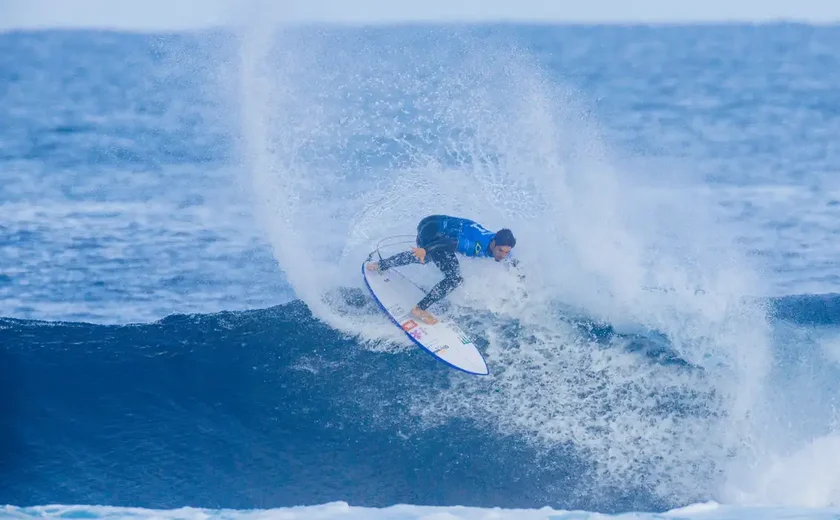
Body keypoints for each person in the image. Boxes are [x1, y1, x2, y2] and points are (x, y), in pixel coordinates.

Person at [366, 215, 517, 324]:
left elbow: (511, 260)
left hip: (435, 224)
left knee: (428, 258)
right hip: (433, 232)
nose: (503, 255)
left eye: (506, 252)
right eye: (500, 251)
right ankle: (419, 309)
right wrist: (425, 249)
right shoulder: (474, 244)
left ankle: (381, 265)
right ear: (494, 243)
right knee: (453, 278)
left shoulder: (502, 245)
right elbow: (448, 242)